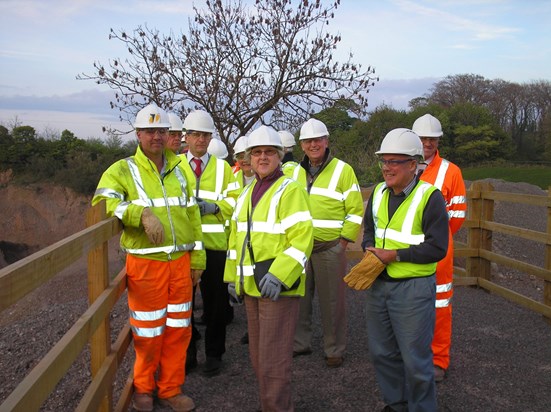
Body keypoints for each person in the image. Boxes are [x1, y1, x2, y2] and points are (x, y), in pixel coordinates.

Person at [92, 103, 205, 412]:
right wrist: (138, 212)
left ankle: (170, 388)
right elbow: (102, 203)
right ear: (138, 134)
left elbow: (192, 215)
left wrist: (198, 259)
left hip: (181, 263)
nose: (157, 136)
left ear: (169, 134)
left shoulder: (180, 169)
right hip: (146, 264)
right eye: (150, 131)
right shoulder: (122, 169)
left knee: (179, 330)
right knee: (147, 332)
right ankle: (144, 388)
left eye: (162, 131)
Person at [224, 125, 313, 412]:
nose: (263, 157)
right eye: (257, 152)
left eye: (269, 152)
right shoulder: (248, 192)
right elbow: (237, 241)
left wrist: (280, 274)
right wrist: (232, 279)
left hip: (276, 288)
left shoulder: (290, 190)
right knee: (258, 359)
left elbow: (301, 239)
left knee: (273, 362)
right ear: (248, 158)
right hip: (252, 287)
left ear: (280, 155)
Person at [361, 128, 449, 412]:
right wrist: (369, 249)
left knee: (415, 358)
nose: (387, 167)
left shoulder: (430, 197)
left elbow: (438, 248)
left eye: (395, 161)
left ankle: (423, 408)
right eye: (384, 161)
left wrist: (395, 255)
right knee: (382, 353)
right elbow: (369, 232)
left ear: (413, 164)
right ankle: (396, 404)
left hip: (413, 289)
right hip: (379, 285)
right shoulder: (377, 192)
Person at [293, 118, 364, 368]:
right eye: (308, 141)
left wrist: (343, 242)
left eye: (318, 140)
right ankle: (300, 343)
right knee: (299, 299)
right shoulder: (293, 171)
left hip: (329, 248)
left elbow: (355, 210)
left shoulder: (343, 170)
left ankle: (334, 349)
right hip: (299, 248)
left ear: (326, 141)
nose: (313, 144)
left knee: (332, 301)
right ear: (301, 144)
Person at [412, 114, 467, 382]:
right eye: (423, 138)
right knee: (407, 302)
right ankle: (411, 355)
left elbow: (457, 215)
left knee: (440, 302)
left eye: (431, 138)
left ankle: (438, 359)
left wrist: (437, 238)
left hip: (439, 252)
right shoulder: (404, 165)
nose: (427, 143)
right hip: (408, 248)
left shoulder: (451, 171)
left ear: (438, 140)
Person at [183, 109, 236, 377]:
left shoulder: (223, 168)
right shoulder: (174, 167)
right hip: (185, 247)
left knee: (215, 304)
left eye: (205, 135)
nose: (201, 140)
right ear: (186, 137)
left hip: (215, 246)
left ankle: (215, 354)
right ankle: (188, 353)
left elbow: (234, 201)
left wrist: (213, 207)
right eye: (195, 134)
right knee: (184, 305)